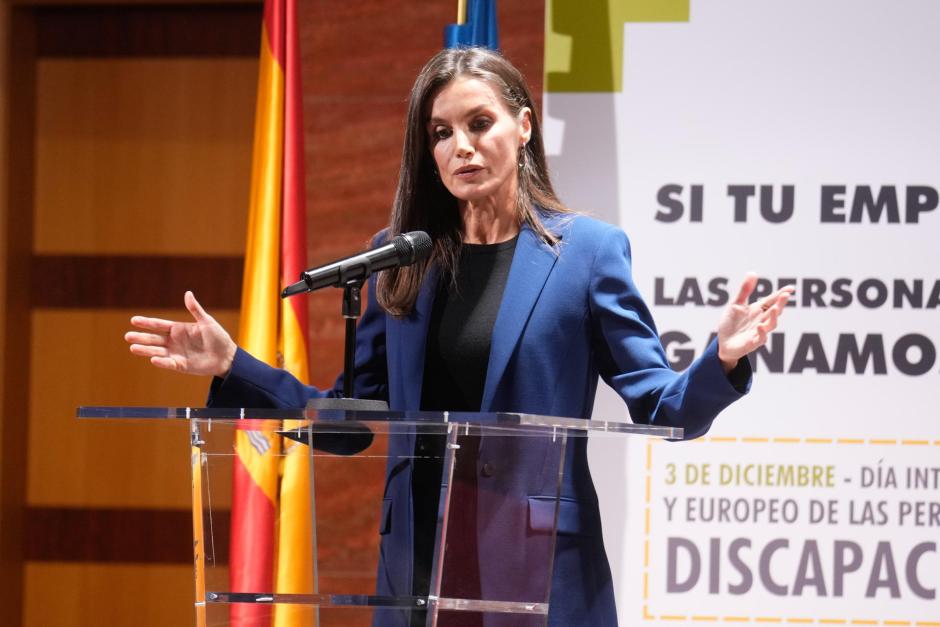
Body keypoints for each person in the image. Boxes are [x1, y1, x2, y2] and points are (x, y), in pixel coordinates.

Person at [126, 47, 794, 627]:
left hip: (534, 570)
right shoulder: (399, 257)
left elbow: (661, 406)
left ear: (524, 125)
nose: (461, 147)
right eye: (441, 133)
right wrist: (234, 365)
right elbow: (350, 423)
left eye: (480, 124)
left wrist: (723, 359)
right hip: (417, 567)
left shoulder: (586, 253)